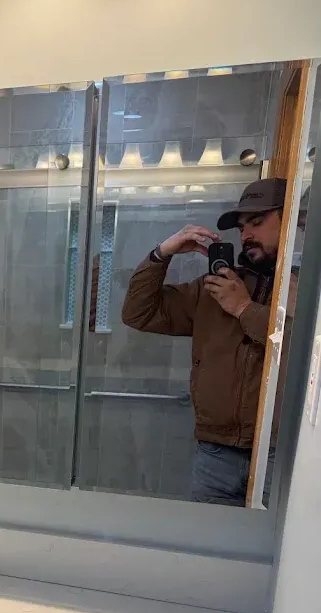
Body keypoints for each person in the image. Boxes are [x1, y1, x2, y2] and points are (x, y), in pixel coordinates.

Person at [122, 178, 287, 506]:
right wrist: (161, 254)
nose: (246, 235)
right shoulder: (213, 289)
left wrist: (243, 308)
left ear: (295, 220)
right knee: (210, 549)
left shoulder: (306, 290)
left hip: (281, 454)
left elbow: (301, 352)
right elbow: (139, 313)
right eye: (241, 228)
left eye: (256, 222)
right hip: (216, 453)